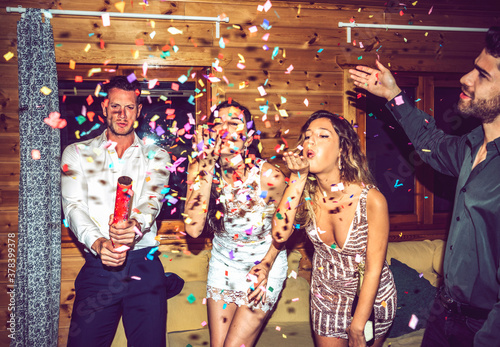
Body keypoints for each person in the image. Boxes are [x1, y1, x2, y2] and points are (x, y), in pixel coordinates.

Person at [349, 26, 500, 347]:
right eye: (474, 67)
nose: (467, 78)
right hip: (444, 314)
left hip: (483, 327)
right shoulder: (471, 147)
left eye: (482, 75)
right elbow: (431, 143)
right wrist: (394, 95)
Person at [61, 76, 171, 346]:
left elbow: (152, 200)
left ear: (139, 110)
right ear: (104, 107)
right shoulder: (76, 153)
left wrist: (133, 225)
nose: (122, 115)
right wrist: (99, 244)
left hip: (144, 265)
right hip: (98, 268)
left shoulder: (157, 156)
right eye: (115, 107)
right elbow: (73, 206)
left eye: (130, 107)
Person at [273, 110, 397, 347]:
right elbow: (280, 234)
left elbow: (373, 268)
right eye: (307, 136)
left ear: (343, 150)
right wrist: (297, 178)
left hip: (371, 298)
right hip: (326, 296)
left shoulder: (371, 199)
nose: (310, 141)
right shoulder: (304, 195)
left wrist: (358, 324)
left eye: (322, 136)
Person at [184, 100, 288, 347]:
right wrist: (207, 166)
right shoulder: (198, 168)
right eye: (218, 124)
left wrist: (266, 264)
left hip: (264, 266)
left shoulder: (269, 177)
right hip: (223, 265)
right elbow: (193, 229)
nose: (225, 130)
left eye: (233, 123)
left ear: (249, 138)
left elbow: (285, 229)